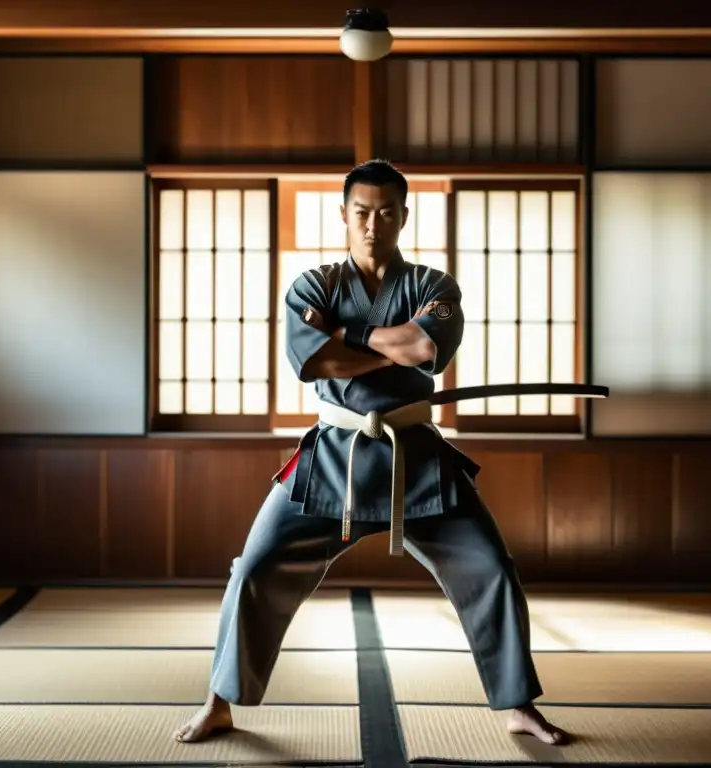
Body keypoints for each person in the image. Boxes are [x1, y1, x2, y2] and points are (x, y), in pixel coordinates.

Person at [173, 159, 569, 747]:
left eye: (386, 212)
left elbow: (420, 345)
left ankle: (519, 705)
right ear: (343, 215)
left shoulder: (434, 287)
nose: (372, 224)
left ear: (403, 216)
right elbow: (314, 361)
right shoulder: (313, 286)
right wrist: (374, 347)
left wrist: (346, 336)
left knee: (491, 568)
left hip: (418, 459)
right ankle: (220, 701)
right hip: (332, 454)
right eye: (361, 212)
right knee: (253, 569)